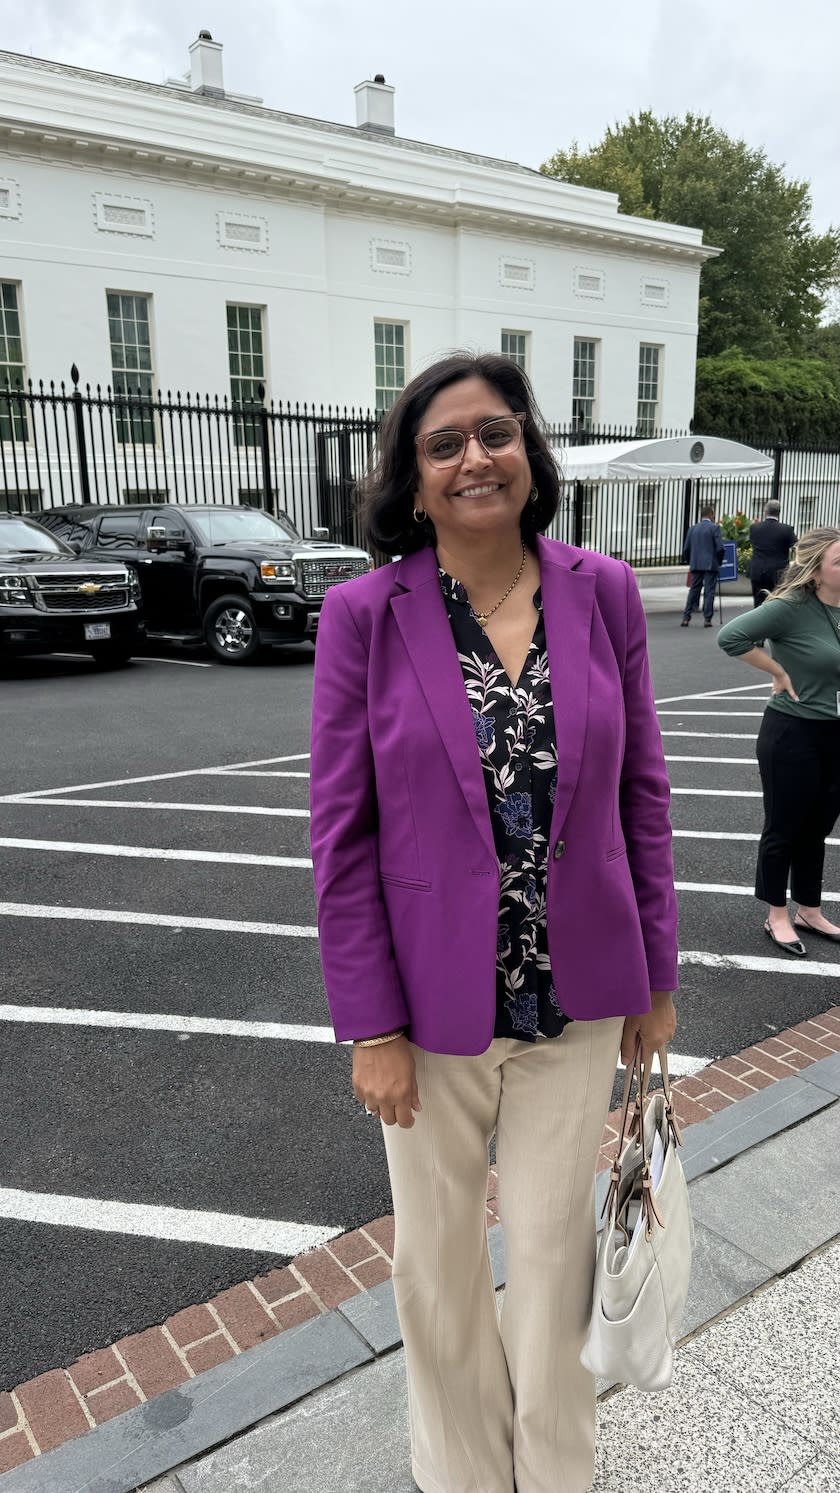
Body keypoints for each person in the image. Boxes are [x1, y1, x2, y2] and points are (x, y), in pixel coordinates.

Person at [309, 351, 678, 1493]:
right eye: (445, 443)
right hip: (425, 1011)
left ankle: (560, 1471)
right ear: (412, 483)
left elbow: (643, 795)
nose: (475, 456)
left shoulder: (602, 589)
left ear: (530, 453)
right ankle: (465, 1474)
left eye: (496, 432)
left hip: (577, 1000)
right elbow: (343, 833)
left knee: (559, 1255)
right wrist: (369, 1024)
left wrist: (656, 976)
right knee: (439, 1270)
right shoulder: (365, 614)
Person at [718, 527, 840, 958]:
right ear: (816, 571)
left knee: (818, 827)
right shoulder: (791, 607)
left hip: (835, 734)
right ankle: (777, 914)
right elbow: (730, 637)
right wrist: (778, 670)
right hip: (792, 731)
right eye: (839, 561)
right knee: (784, 828)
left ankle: (809, 908)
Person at [680, 505, 725, 627]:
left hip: (696, 564)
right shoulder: (714, 528)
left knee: (694, 590)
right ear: (711, 514)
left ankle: (686, 617)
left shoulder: (693, 529)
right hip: (710, 564)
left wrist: (691, 561)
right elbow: (720, 548)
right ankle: (707, 619)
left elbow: (686, 549)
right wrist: (719, 561)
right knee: (709, 591)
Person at [749, 500, 797, 606]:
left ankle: (759, 621)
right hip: (778, 571)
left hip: (758, 569)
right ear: (779, 512)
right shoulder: (786, 530)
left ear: (765, 512)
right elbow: (795, 546)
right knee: (776, 602)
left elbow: (753, 543)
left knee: (758, 602)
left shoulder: (754, 528)